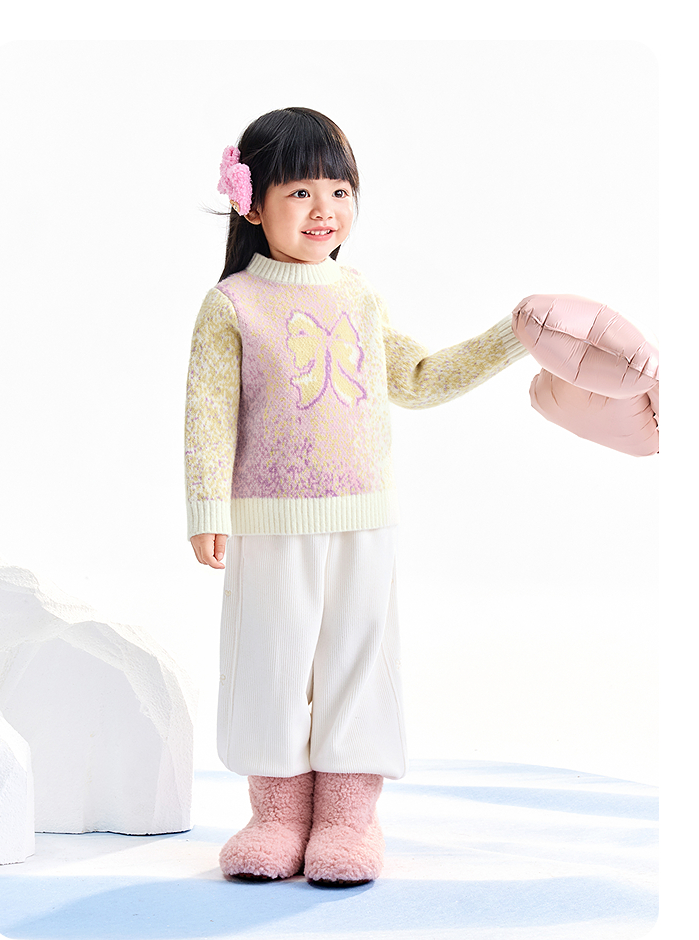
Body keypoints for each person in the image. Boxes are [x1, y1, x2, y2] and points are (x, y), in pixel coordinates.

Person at [184, 107, 658, 888]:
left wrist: (513, 338)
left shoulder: (359, 297)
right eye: (300, 192)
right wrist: (207, 508)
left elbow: (417, 378)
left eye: (339, 190)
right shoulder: (232, 304)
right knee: (271, 664)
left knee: (359, 664)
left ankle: (347, 821)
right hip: (268, 523)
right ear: (251, 203)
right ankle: (276, 819)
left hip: (365, 519)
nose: (324, 209)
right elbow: (207, 413)